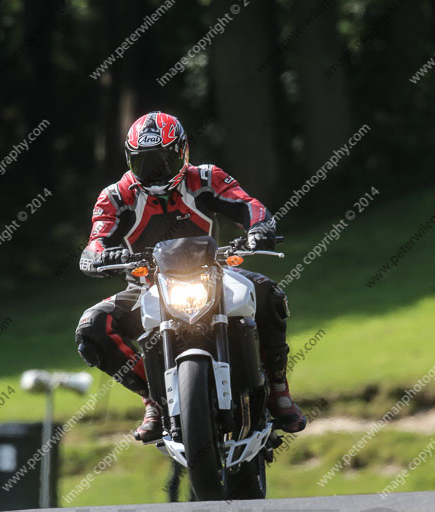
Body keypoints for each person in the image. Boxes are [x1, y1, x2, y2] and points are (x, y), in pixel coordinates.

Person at [75, 111, 306, 442]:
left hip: (213, 273)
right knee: (91, 328)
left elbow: (248, 205)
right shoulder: (114, 196)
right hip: (144, 286)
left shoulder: (206, 177)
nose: (155, 172)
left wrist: (260, 228)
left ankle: (278, 388)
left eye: (163, 159)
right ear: (129, 160)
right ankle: (154, 399)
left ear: (182, 152)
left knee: (269, 294)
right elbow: (95, 242)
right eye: (144, 163)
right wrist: (98, 257)